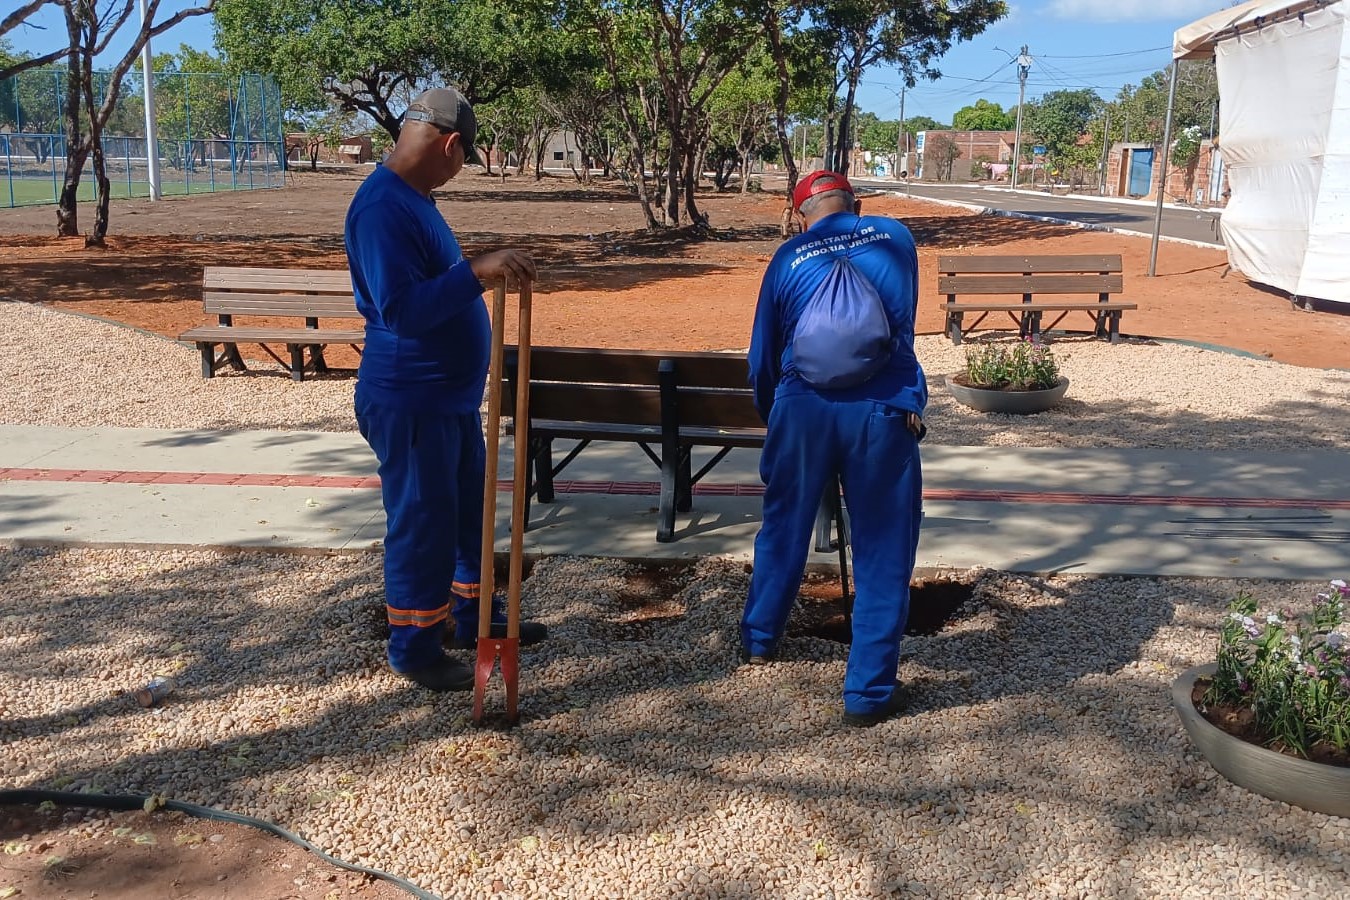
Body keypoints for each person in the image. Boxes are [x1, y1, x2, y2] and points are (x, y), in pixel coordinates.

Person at [344, 87, 547, 692]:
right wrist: (476, 273)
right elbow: (401, 310)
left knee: (469, 520)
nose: (460, 170)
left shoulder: (416, 200)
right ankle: (414, 647)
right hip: (413, 400)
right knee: (423, 523)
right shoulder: (382, 207)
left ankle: (474, 619)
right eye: (464, 158)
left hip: (449, 402)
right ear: (451, 145)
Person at [741, 170, 927, 727]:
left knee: (783, 527)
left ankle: (759, 638)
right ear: (857, 203)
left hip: (803, 410)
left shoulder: (787, 259)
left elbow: (762, 361)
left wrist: (776, 417)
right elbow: (903, 324)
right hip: (883, 409)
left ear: (799, 214)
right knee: (883, 548)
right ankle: (868, 694)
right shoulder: (895, 238)